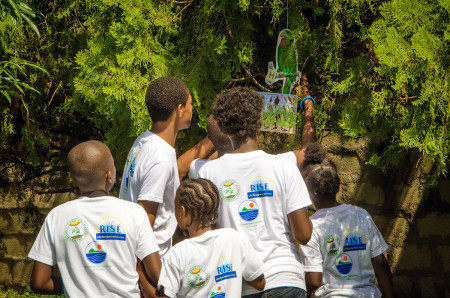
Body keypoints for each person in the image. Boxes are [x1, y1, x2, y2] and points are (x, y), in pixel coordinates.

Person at [198, 87, 313, 297]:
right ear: (260, 122)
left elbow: (207, 234)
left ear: (223, 126)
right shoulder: (283, 166)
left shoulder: (207, 172)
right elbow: (304, 235)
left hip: (239, 283)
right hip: (285, 279)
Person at [28, 140, 161, 297]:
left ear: (73, 179)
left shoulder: (56, 217)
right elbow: (157, 274)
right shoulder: (135, 213)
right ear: (109, 175)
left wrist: (70, 285)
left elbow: (39, 282)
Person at [119, 76, 212, 256]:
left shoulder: (145, 141)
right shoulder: (160, 158)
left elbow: (174, 171)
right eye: (190, 104)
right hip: (150, 262)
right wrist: (148, 277)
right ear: (179, 109)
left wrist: (212, 140)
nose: (192, 109)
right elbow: (145, 219)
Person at [299, 143, 394, 298]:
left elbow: (313, 279)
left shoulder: (311, 228)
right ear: (339, 181)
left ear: (308, 191)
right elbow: (380, 262)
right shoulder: (362, 216)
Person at [188, 73, 316, 179]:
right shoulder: (279, 165)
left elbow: (214, 154)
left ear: (211, 137)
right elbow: (307, 152)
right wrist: (308, 103)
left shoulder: (201, 171)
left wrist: (220, 141)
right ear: (259, 125)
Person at [157, 178, 266, 297]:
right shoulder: (233, 237)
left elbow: (165, 294)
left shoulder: (176, 254)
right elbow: (260, 283)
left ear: (183, 211)